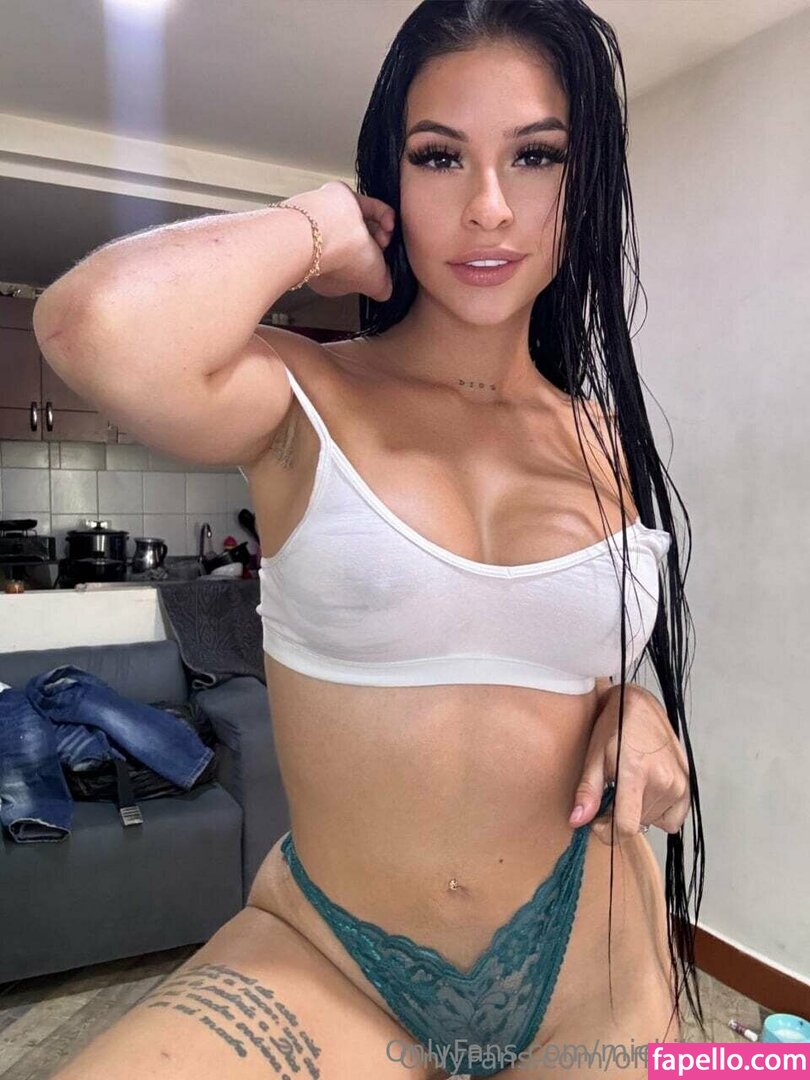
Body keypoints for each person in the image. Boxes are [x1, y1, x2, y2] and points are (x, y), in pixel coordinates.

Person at [32, 2, 704, 1076]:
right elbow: (91, 325)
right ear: (390, 181)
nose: (488, 206)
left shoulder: (607, 441)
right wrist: (314, 226)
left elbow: (571, 661)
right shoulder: (301, 395)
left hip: (598, 951)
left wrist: (638, 708)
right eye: (440, 157)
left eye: (535, 155)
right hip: (332, 961)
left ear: (585, 184)